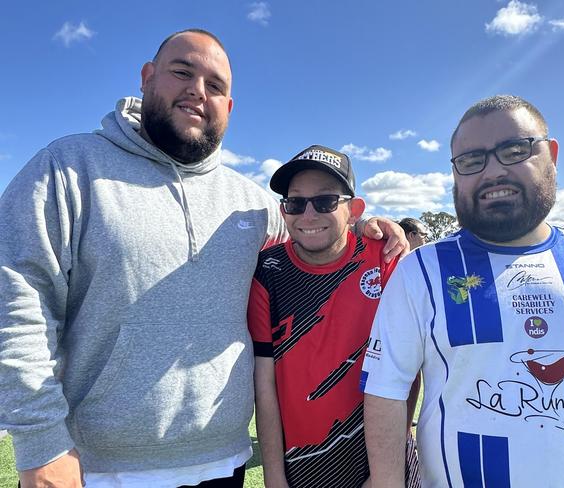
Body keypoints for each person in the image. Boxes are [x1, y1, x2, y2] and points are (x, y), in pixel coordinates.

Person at [0, 29, 407, 487]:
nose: (198, 90)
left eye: (215, 86)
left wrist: (369, 227)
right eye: (182, 72)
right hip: (93, 469)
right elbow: (17, 306)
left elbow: (313, 232)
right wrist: (41, 445)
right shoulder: (66, 168)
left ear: (228, 108)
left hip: (223, 465)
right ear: (148, 78)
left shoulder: (250, 203)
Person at [361, 95, 564, 487]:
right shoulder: (421, 270)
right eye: (471, 160)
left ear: (551, 153)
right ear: (455, 173)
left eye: (514, 150)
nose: (493, 171)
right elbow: (386, 391)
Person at [248, 145, 420, 488]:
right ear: (284, 211)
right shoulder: (268, 271)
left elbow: (408, 370)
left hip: (381, 466)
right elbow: (264, 385)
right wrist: (274, 477)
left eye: (325, 201)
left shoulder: (385, 260)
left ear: (353, 209)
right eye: (295, 203)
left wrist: (385, 471)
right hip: (302, 469)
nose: (308, 215)